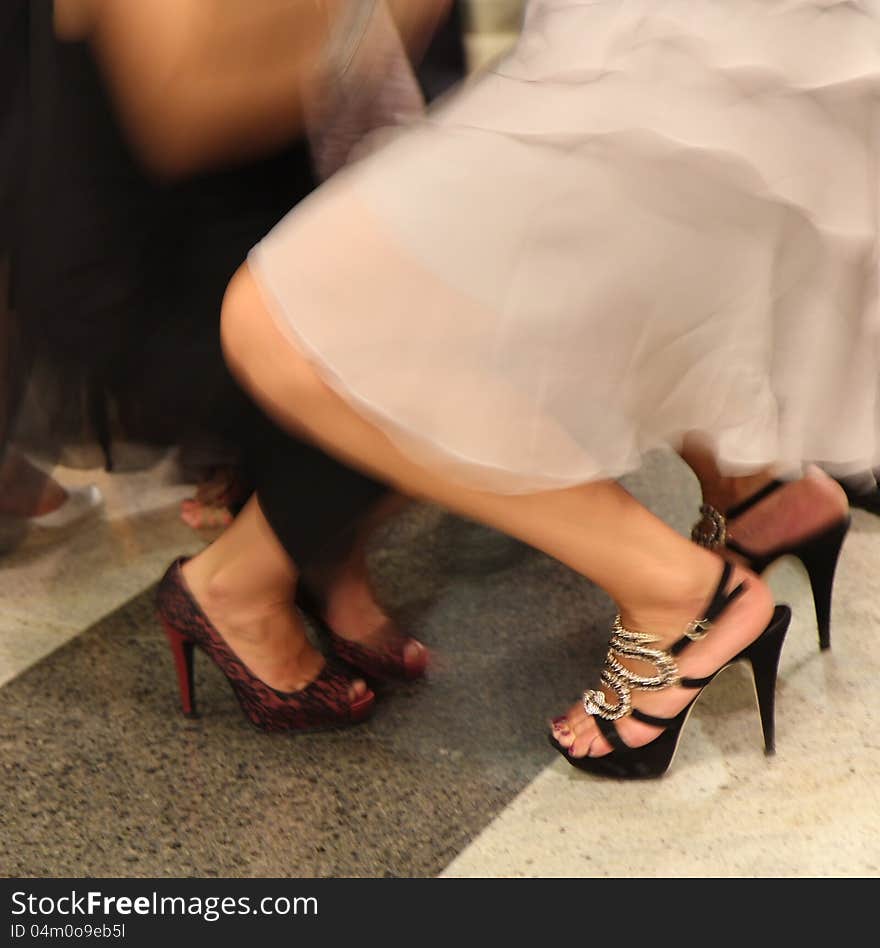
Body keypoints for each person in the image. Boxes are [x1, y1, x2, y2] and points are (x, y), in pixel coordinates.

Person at [159, 0, 877, 779]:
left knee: (285, 329)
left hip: (664, 39)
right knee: (617, 262)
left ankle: (680, 596)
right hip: (742, 39)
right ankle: (759, 491)